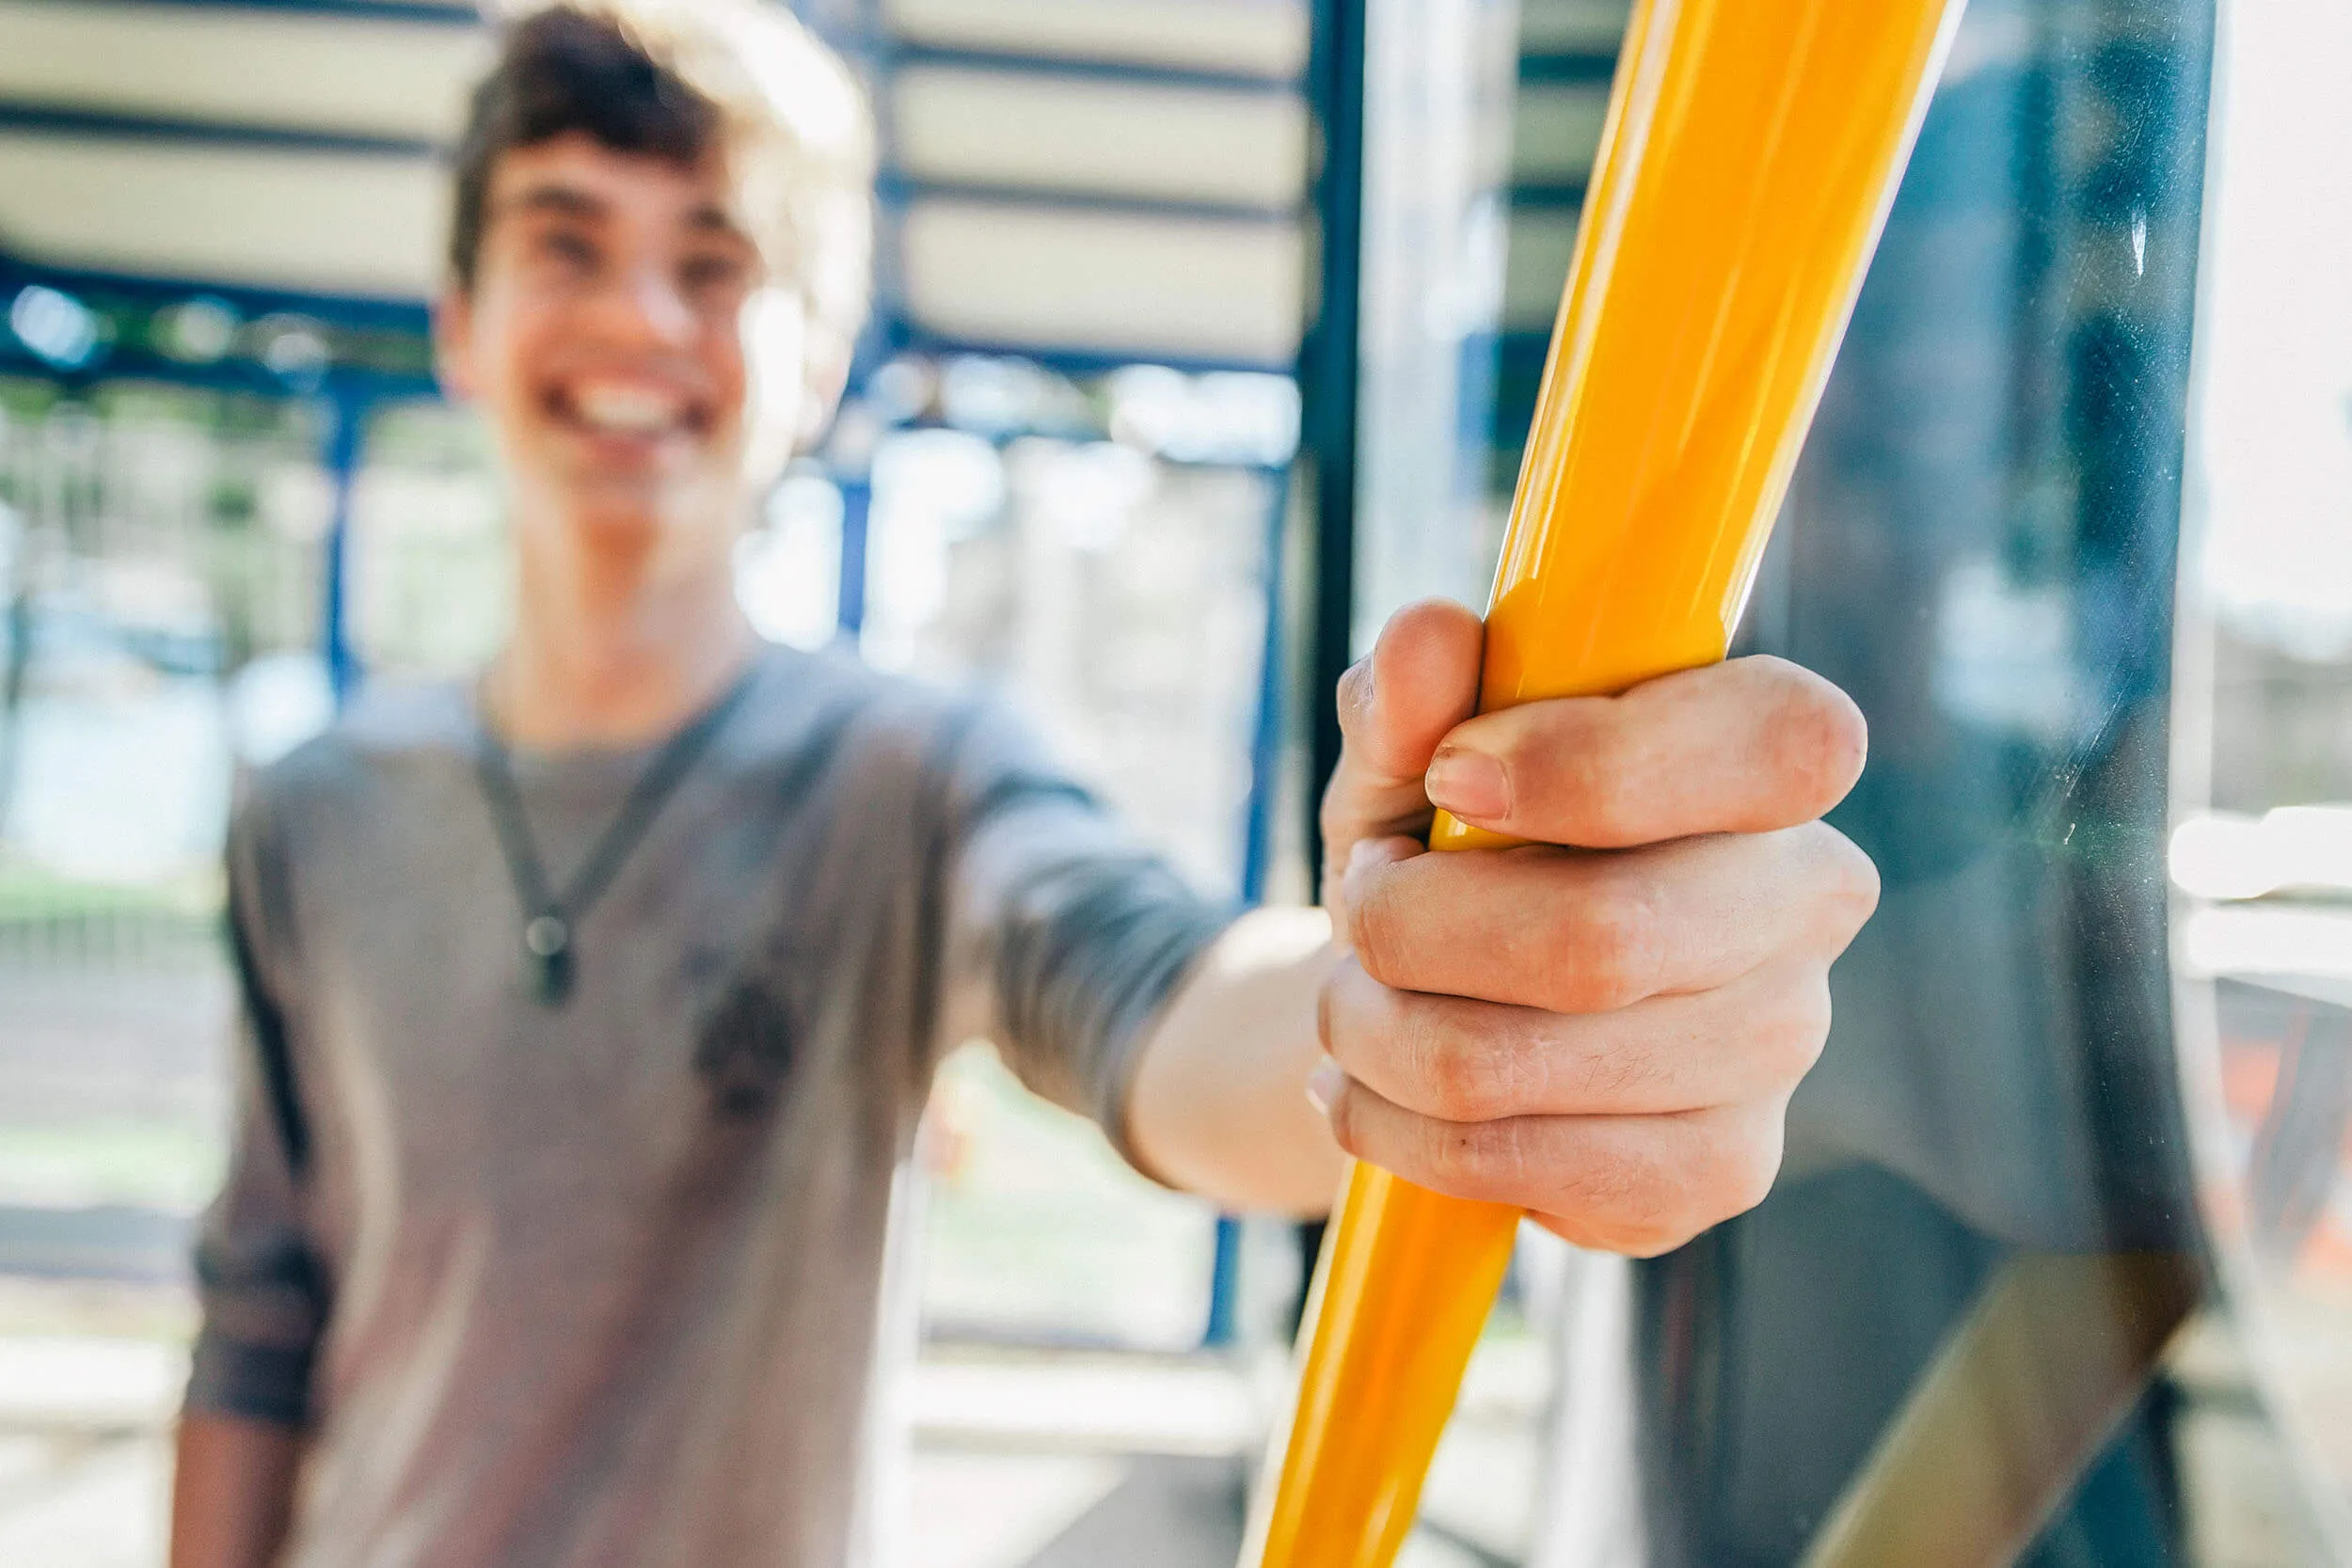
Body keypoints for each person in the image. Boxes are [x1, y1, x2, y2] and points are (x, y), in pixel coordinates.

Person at [167, 2, 1880, 1563]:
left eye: (717, 258)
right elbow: (260, 1317)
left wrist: (1425, 990)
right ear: (462, 325)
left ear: (819, 358)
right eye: (568, 242)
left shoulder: (905, 784)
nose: (640, 316)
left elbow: (1152, 995)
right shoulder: (313, 814)